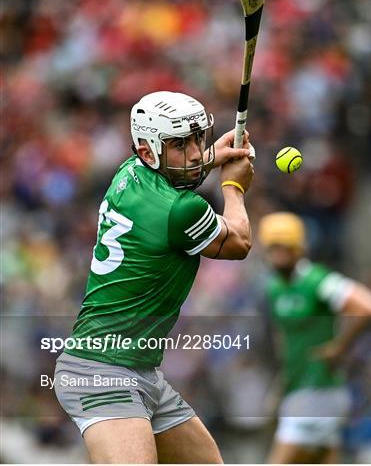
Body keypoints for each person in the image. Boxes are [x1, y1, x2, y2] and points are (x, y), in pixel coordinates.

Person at [54, 91, 254, 463]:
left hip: (140, 370)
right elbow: (239, 241)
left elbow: (173, 179)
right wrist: (234, 187)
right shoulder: (182, 210)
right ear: (149, 151)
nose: (195, 153)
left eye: (198, 138)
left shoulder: (129, 171)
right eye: (180, 144)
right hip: (102, 372)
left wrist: (212, 160)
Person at [258, 212, 371, 464]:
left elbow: (368, 307)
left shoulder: (317, 281)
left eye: (284, 247)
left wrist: (340, 347)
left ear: (300, 248)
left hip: (319, 391)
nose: (278, 254)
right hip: (299, 391)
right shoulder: (274, 288)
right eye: (273, 248)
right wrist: (281, 389)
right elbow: (285, 344)